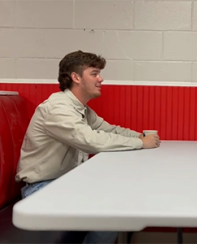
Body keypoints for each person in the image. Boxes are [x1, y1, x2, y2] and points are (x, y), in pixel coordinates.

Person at [15, 50, 160, 244]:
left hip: (67, 184)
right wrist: (141, 143)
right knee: (111, 216)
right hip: (42, 189)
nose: (100, 79)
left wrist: (140, 136)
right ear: (75, 77)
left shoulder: (81, 108)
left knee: (119, 199)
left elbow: (107, 129)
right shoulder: (58, 108)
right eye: (94, 73)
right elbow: (89, 140)